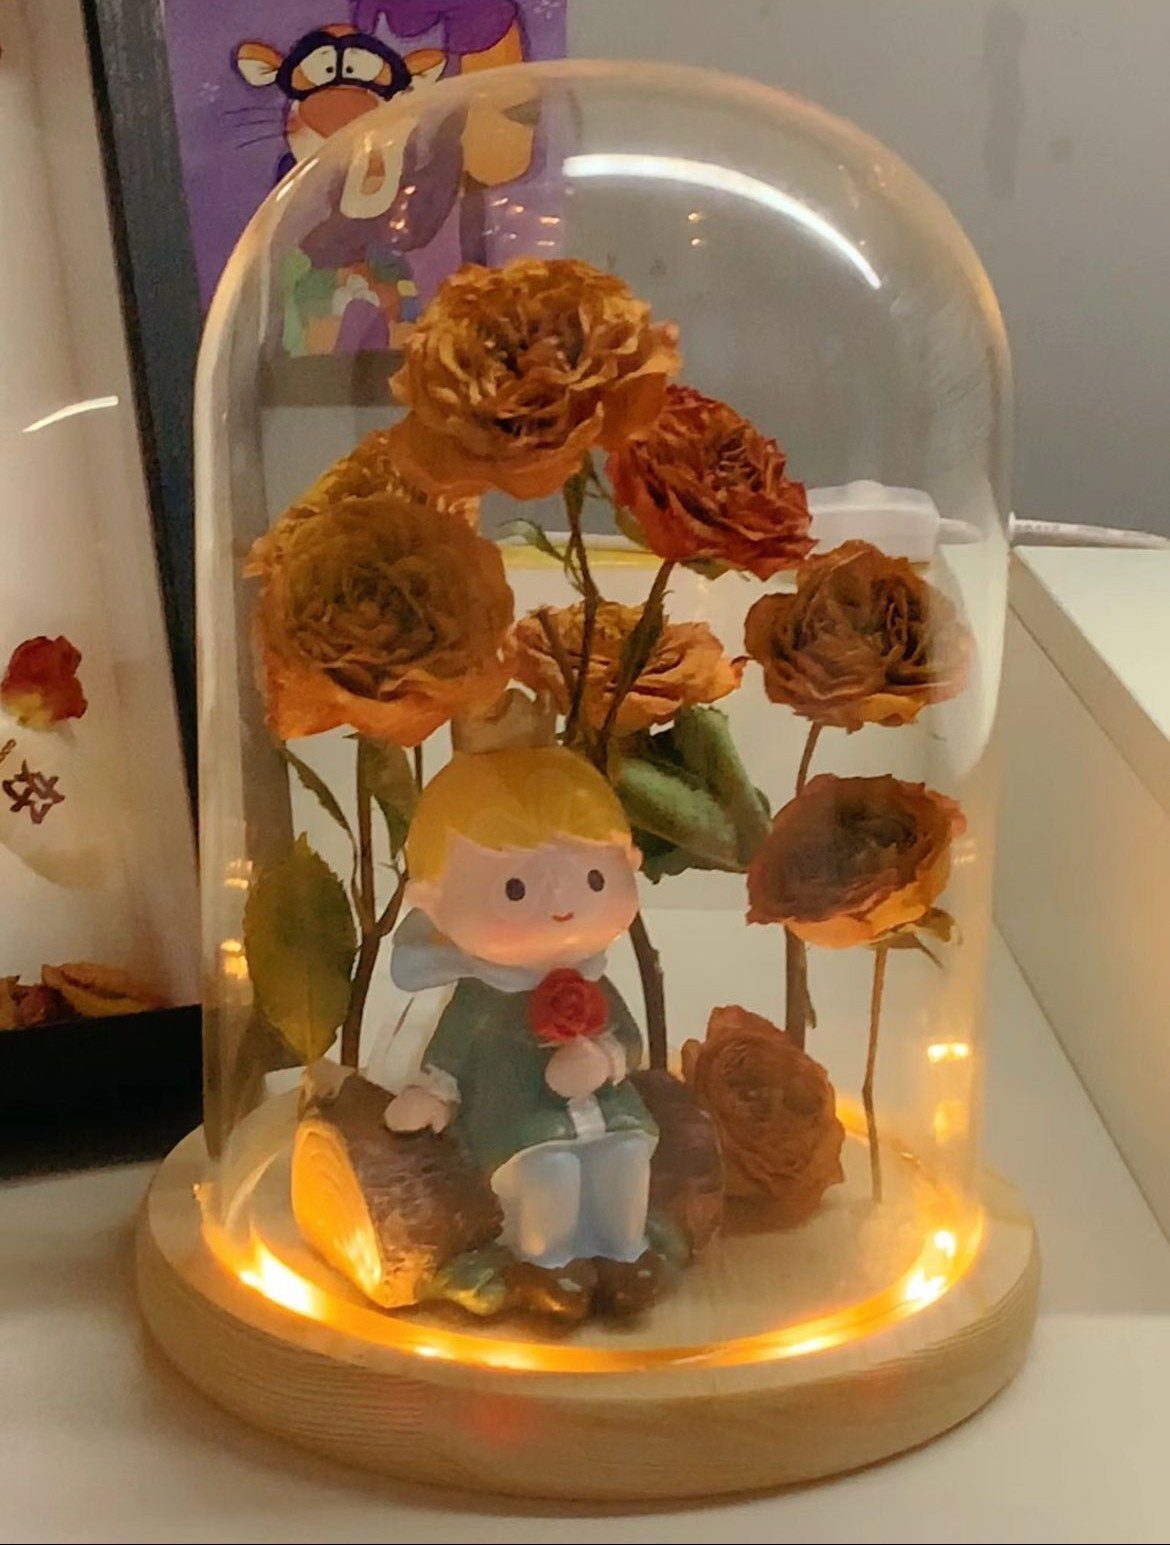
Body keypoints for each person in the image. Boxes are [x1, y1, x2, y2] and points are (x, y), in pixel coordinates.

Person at [384, 736, 662, 1316]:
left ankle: (623, 1252)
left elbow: (629, 1041)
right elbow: (449, 1058)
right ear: (431, 903)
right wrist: (432, 1096)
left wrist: (604, 1061)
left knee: (626, 1156)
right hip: (518, 1121)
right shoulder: (483, 999)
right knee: (551, 1171)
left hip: (611, 1109)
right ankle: (548, 1264)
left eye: (594, 880)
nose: (562, 906)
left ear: (630, 864)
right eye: (515, 889)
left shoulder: (592, 979)